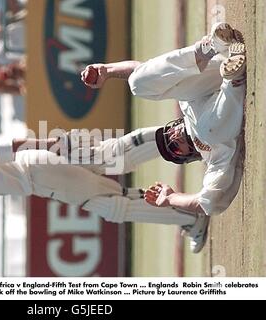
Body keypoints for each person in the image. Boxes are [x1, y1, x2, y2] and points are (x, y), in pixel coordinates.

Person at [0, 135, 208, 253]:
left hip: (38, 173)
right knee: (110, 159)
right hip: (40, 174)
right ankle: (182, 135)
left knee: (114, 206)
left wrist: (44, 144)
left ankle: (189, 215)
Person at [81, 23, 246, 225]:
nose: (173, 138)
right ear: (188, 155)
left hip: (213, 75)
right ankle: (234, 79)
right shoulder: (213, 156)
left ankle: (209, 47)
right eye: (174, 147)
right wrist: (170, 199)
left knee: (137, 84)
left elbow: (144, 71)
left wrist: (107, 70)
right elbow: (208, 204)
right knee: (207, 132)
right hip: (227, 96)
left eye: (167, 137)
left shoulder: (185, 105)